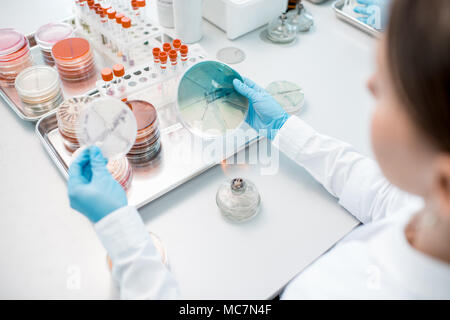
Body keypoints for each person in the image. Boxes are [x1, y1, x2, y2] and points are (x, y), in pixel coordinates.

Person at [68, 0, 450, 299]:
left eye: (389, 91)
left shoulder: (344, 291)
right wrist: (283, 127)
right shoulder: (428, 209)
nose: (368, 85)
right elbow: (385, 195)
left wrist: (123, 236)